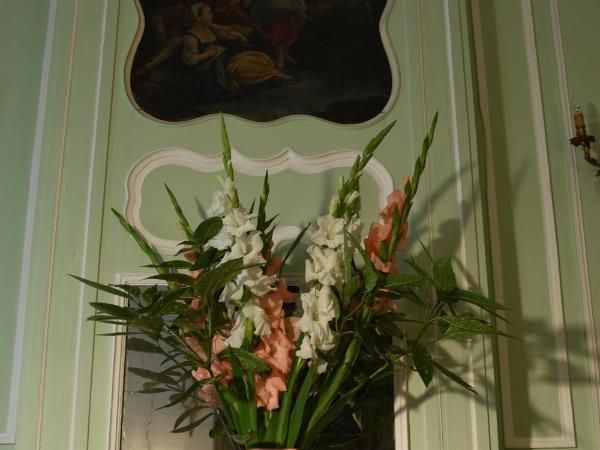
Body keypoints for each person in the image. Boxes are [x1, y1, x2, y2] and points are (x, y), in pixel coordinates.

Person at [181, 2, 296, 100]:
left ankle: (274, 75)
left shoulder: (210, 28)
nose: (212, 16)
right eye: (208, 13)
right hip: (212, 70)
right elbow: (190, 60)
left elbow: (225, 31)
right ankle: (273, 76)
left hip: (224, 59)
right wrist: (208, 54)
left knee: (257, 56)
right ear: (198, 18)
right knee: (242, 66)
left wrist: (237, 34)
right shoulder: (191, 37)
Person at [245, 0, 307, 68]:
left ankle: (283, 49)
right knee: (285, 10)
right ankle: (280, 51)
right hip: (260, 3)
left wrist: (301, 2)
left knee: (293, 12)